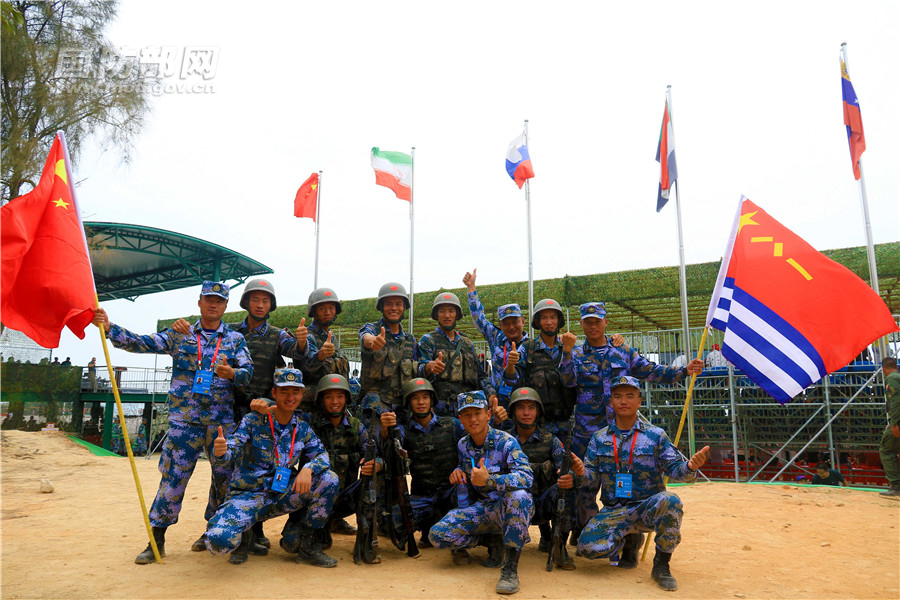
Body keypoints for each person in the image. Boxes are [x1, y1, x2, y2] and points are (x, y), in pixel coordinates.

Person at [92, 281, 253, 564]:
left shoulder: (235, 339)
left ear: (226, 306)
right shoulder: (181, 333)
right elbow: (142, 342)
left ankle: (215, 532)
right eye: (209, 299)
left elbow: (248, 372)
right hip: (184, 423)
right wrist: (109, 328)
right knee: (173, 480)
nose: (213, 304)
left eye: (219, 301)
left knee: (225, 479)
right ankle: (156, 539)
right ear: (200, 302)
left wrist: (233, 374)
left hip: (220, 424)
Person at [172, 277, 312, 551]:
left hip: (264, 411)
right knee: (224, 472)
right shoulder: (231, 332)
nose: (260, 304)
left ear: (271, 305)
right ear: (246, 302)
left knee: (260, 471)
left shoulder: (277, 335)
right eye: (255, 299)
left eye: (265, 300)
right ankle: (213, 525)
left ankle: (253, 529)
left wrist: (303, 343)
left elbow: (297, 352)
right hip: (229, 409)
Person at [558, 302, 703, 542]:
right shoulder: (576, 354)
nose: (593, 326)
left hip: (622, 433)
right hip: (588, 433)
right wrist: (565, 352)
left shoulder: (623, 351)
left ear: (606, 322)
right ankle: (586, 529)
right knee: (585, 487)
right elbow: (567, 381)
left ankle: (628, 534)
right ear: (581, 324)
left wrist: (683, 371)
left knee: (625, 483)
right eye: (588, 322)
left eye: (597, 321)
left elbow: (650, 370)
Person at [559, 376, 710, 592]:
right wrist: (581, 472)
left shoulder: (656, 436)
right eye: (618, 396)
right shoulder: (599, 438)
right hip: (614, 510)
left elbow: (677, 471)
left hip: (646, 508)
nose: (624, 401)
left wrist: (691, 466)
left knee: (671, 501)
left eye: (630, 396)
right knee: (587, 549)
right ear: (611, 402)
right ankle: (629, 540)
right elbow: (590, 478)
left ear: (639, 401)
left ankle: (661, 566)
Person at [205, 368, 340, 567]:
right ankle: (244, 536)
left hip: (281, 495)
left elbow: (321, 455)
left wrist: (308, 468)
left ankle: (308, 546)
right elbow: (232, 448)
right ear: (274, 393)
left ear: (302, 395)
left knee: (329, 479)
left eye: (295, 392)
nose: (290, 397)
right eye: (284, 391)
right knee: (218, 542)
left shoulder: (302, 428)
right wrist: (221, 451)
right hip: (249, 495)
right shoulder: (253, 421)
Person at [429, 391, 534, 595]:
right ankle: (489, 540)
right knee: (438, 535)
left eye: (477, 413)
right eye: (467, 415)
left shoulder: (506, 442)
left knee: (520, 496)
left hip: (507, 508)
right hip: (484, 508)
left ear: (488, 414)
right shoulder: (463, 445)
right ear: (460, 419)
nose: (473, 419)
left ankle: (510, 569)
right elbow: (465, 468)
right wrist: (458, 472)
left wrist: (491, 480)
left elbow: (526, 477)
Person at [291, 374, 381, 547]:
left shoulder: (356, 426)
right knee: (293, 543)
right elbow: (285, 416)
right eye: (329, 397)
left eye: (340, 396)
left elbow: (373, 452)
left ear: (346, 399)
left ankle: (365, 533)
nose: (334, 402)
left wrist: (376, 463)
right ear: (321, 400)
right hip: (313, 498)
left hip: (345, 498)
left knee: (376, 481)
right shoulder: (309, 424)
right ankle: (320, 525)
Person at [515, 298, 623, 437]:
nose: (549, 322)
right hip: (537, 424)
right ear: (537, 321)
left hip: (566, 424)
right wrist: (510, 366)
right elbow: (513, 380)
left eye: (553, 317)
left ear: (559, 320)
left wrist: (614, 341)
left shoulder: (571, 349)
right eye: (544, 318)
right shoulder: (527, 349)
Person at [379, 378, 466, 549]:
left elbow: (473, 445)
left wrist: (461, 469)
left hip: (451, 494)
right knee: (389, 523)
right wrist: (384, 430)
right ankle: (430, 524)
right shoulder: (403, 431)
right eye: (415, 398)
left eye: (425, 397)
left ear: (431, 400)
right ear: (408, 403)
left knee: (467, 495)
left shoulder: (452, 425)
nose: (421, 402)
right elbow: (389, 452)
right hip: (423, 497)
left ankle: (458, 541)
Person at [504, 387, 573, 569]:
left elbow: (564, 468)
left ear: (538, 412)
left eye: (531, 408)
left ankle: (558, 543)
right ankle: (497, 544)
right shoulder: (504, 440)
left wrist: (567, 475)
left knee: (564, 490)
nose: (526, 413)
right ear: (513, 412)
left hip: (541, 505)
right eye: (520, 408)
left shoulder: (551, 440)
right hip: (512, 505)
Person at [417, 291, 497, 417]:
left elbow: (480, 375)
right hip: (440, 412)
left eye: (451, 311)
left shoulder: (467, 344)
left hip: (468, 409)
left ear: (457, 314)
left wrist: (491, 393)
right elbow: (418, 372)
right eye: (442, 311)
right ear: (436, 314)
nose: (447, 315)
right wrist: (429, 367)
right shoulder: (428, 340)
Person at [462, 268, 528, 406]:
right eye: (506, 323)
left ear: (523, 321)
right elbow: (479, 318)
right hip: (496, 402)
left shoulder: (531, 345)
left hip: (521, 404)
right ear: (500, 325)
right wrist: (471, 288)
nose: (511, 327)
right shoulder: (496, 337)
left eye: (515, 322)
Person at [357, 282, 418, 420]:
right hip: (376, 410)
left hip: (403, 409)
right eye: (389, 304)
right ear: (381, 307)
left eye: (398, 304)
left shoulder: (410, 340)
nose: (394, 308)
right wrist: (372, 341)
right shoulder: (373, 329)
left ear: (404, 307)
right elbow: (365, 336)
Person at [300, 287, 351, 413]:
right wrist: (320, 355)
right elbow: (308, 363)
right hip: (311, 406)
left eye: (331, 308)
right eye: (322, 308)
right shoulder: (307, 335)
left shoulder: (331, 337)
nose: (328, 312)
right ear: (313, 312)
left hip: (333, 404)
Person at [879, 357, 900, 497]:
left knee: (886, 450)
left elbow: (896, 402)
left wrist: (895, 423)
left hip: (898, 421)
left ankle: (896, 486)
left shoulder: (891, 378)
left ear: (883, 369)